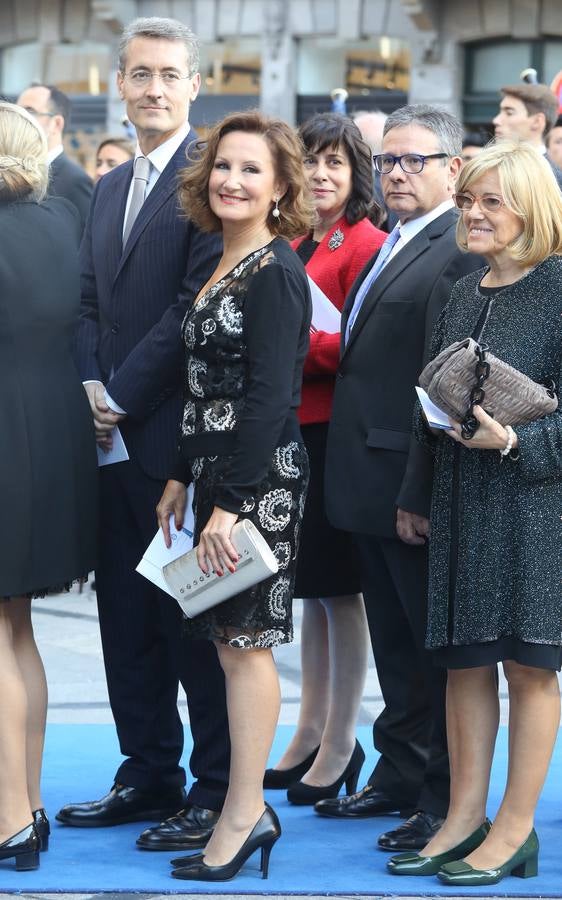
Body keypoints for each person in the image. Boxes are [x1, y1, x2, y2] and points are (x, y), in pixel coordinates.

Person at [57, 17, 231, 855]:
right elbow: (89, 302)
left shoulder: (213, 180)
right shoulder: (109, 186)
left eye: (169, 74)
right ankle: (148, 770)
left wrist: (119, 395)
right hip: (112, 445)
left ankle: (214, 789)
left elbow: (190, 310)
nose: (153, 89)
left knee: (193, 623)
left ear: (194, 85)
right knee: (125, 616)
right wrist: (94, 388)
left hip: (178, 447)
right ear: (117, 85)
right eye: (139, 74)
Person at [387, 139, 562, 886]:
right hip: (463, 498)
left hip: (533, 509)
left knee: (528, 667)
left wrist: (519, 438)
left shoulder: (560, 288)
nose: (474, 214)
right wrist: (418, 491)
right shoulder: (464, 291)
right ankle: (463, 818)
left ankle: (516, 829)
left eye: (492, 200)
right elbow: (433, 394)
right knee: (464, 666)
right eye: (467, 201)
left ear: (532, 205)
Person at [318, 105, 483, 853]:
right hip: (365, 471)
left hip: (409, 480)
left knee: (429, 649)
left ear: (455, 168)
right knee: (394, 644)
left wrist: (419, 491)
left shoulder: (454, 248)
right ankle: (397, 772)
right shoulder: (394, 240)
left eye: (414, 160)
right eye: (388, 161)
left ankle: (440, 796)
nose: (397, 173)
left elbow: (440, 385)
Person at [155, 109, 313, 882]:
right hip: (217, 479)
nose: (232, 180)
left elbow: (269, 398)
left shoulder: (278, 270)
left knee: (246, 648)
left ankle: (245, 814)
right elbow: (201, 385)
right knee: (223, 645)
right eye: (224, 165)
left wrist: (232, 501)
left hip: (258, 483)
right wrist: (184, 476)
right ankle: (242, 809)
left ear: (282, 187)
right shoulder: (221, 261)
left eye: (252, 169)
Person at [264, 113, 385, 805]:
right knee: (311, 594)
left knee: (342, 594)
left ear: (354, 172)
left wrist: (291, 348)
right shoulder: (295, 240)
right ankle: (308, 728)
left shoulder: (363, 243)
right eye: (309, 162)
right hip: (295, 427)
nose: (320, 175)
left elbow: (357, 347)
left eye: (334, 163)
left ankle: (342, 739)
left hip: (333, 429)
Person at [0, 102, 97, 870]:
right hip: (54, 433)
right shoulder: (63, 220)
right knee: (17, 629)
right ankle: (26, 801)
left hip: (5, 432)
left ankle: (8, 818)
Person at [17, 83, 93, 231]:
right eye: (17, 113)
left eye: (29, 112)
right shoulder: (16, 174)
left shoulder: (75, 180)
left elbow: (86, 242)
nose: (19, 120)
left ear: (56, 124)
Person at [493, 83, 562, 188]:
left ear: (537, 122)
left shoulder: (554, 179)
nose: (496, 120)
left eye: (509, 113)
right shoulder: (492, 168)